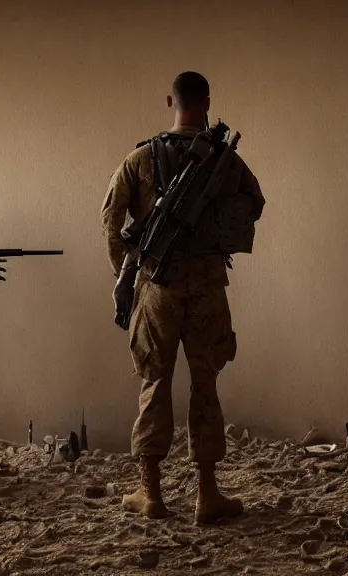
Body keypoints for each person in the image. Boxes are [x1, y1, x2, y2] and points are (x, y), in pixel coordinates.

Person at [100, 72, 265, 524]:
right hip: (208, 285)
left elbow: (111, 220)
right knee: (204, 384)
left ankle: (150, 493)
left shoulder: (139, 159)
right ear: (208, 101)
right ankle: (207, 495)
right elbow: (254, 203)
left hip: (157, 286)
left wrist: (126, 273)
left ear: (169, 99)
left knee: (155, 382)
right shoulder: (225, 161)